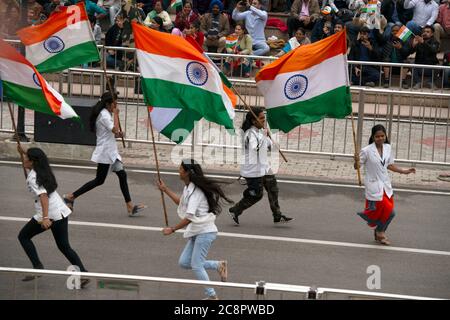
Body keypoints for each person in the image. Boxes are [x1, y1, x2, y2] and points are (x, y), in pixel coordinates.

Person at [157, 159, 231, 300]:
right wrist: (165, 189)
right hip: (197, 231)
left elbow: (189, 217)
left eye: (180, 169)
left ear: (187, 173)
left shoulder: (196, 192)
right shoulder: (188, 188)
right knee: (184, 263)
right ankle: (218, 265)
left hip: (205, 231)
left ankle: (212, 296)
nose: (178, 171)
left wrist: (172, 229)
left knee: (196, 265)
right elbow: (182, 203)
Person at [63, 92, 146, 217]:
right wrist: (117, 116)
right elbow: (115, 129)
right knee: (99, 180)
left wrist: (119, 134)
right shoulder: (104, 116)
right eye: (115, 103)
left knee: (122, 175)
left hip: (111, 152)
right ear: (108, 104)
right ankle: (71, 196)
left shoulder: (106, 114)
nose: (116, 106)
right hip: (105, 152)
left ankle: (129, 206)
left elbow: (114, 132)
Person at [17, 147, 90, 287]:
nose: (24, 159)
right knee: (64, 247)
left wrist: (45, 218)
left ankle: (38, 267)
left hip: (49, 214)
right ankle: (83, 274)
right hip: (61, 212)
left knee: (23, 237)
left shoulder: (33, 176)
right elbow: (35, 157)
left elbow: (43, 196)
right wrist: (23, 151)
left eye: (26, 158)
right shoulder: (43, 170)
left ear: (33, 162)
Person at [228, 107, 294, 225]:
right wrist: (264, 136)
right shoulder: (249, 134)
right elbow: (257, 149)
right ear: (254, 121)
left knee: (273, 189)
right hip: (253, 171)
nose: (264, 120)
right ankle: (235, 210)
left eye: (264, 118)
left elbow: (270, 147)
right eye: (261, 118)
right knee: (257, 195)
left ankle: (277, 215)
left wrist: (271, 139)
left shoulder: (260, 131)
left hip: (264, 167)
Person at [354, 124, 416, 246]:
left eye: (382, 136)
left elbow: (389, 165)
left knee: (388, 213)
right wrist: (355, 160)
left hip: (386, 186)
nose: (380, 138)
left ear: (385, 136)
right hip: (374, 186)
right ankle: (380, 232)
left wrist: (404, 171)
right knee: (391, 212)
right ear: (373, 137)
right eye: (377, 136)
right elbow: (357, 166)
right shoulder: (366, 151)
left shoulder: (388, 148)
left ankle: (379, 231)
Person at [410, 25, 440, 89]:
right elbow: (411, 52)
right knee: (410, 64)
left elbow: (433, 50)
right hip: (419, 66)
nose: (425, 33)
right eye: (424, 31)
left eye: (428, 32)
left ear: (432, 34)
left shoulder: (435, 42)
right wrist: (413, 46)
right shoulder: (419, 41)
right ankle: (418, 82)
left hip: (430, 67)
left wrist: (423, 42)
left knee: (439, 66)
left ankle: (430, 82)